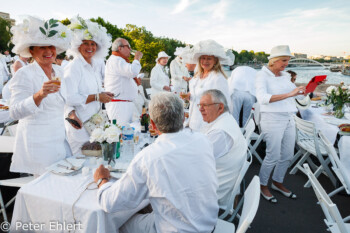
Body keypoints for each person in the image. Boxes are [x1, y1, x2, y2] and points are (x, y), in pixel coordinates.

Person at [94, 92, 218, 233]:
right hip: (209, 224)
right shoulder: (203, 140)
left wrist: (102, 180)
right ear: (184, 117)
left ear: (152, 124)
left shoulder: (148, 158)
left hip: (178, 229)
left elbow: (109, 203)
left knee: (116, 222)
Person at [9, 16, 71, 175]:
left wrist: (71, 113)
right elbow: (14, 112)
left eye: (51, 46)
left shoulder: (59, 71)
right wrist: (40, 94)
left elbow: (63, 100)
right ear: (31, 50)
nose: (49, 51)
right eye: (42, 47)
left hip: (59, 142)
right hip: (38, 147)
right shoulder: (24, 74)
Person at [256, 45, 306, 203]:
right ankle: (263, 185)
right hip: (272, 118)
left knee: (287, 155)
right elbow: (263, 98)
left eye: (288, 60)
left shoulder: (285, 75)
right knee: (272, 155)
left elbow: (295, 93)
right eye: (284, 60)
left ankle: (277, 182)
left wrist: (307, 90)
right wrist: (289, 94)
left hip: (288, 117)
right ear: (274, 61)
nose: (286, 64)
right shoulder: (261, 76)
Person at [64, 16, 113, 155]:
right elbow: (69, 98)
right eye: (86, 43)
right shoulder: (74, 67)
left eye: (93, 44)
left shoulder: (94, 65)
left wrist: (103, 93)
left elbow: (92, 90)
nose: (90, 47)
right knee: (82, 164)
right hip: (80, 126)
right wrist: (97, 97)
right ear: (77, 45)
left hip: (94, 125)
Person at [199, 89, 247, 208]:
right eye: (199, 105)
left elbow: (195, 161)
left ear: (220, 107)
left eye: (205, 105)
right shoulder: (226, 120)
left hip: (214, 192)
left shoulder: (220, 132)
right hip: (219, 179)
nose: (200, 109)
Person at [181, 39, 232, 131]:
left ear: (215, 61)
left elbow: (225, 104)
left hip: (206, 124)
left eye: (209, 58)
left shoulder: (218, 79)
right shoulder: (197, 76)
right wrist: (189, 96)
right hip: (193, 120)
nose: (205, 61)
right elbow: (198, 95)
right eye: (203, 58)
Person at [104, 38, 143, 126]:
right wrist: (137, 58)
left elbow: (128, 75)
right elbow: (132, 71)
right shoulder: (116, 60)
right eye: (128, 46)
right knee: (120, 132)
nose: (130, 49)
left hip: (124, 104)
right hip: (119, 105)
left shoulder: (120, 60)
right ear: (120, 48)